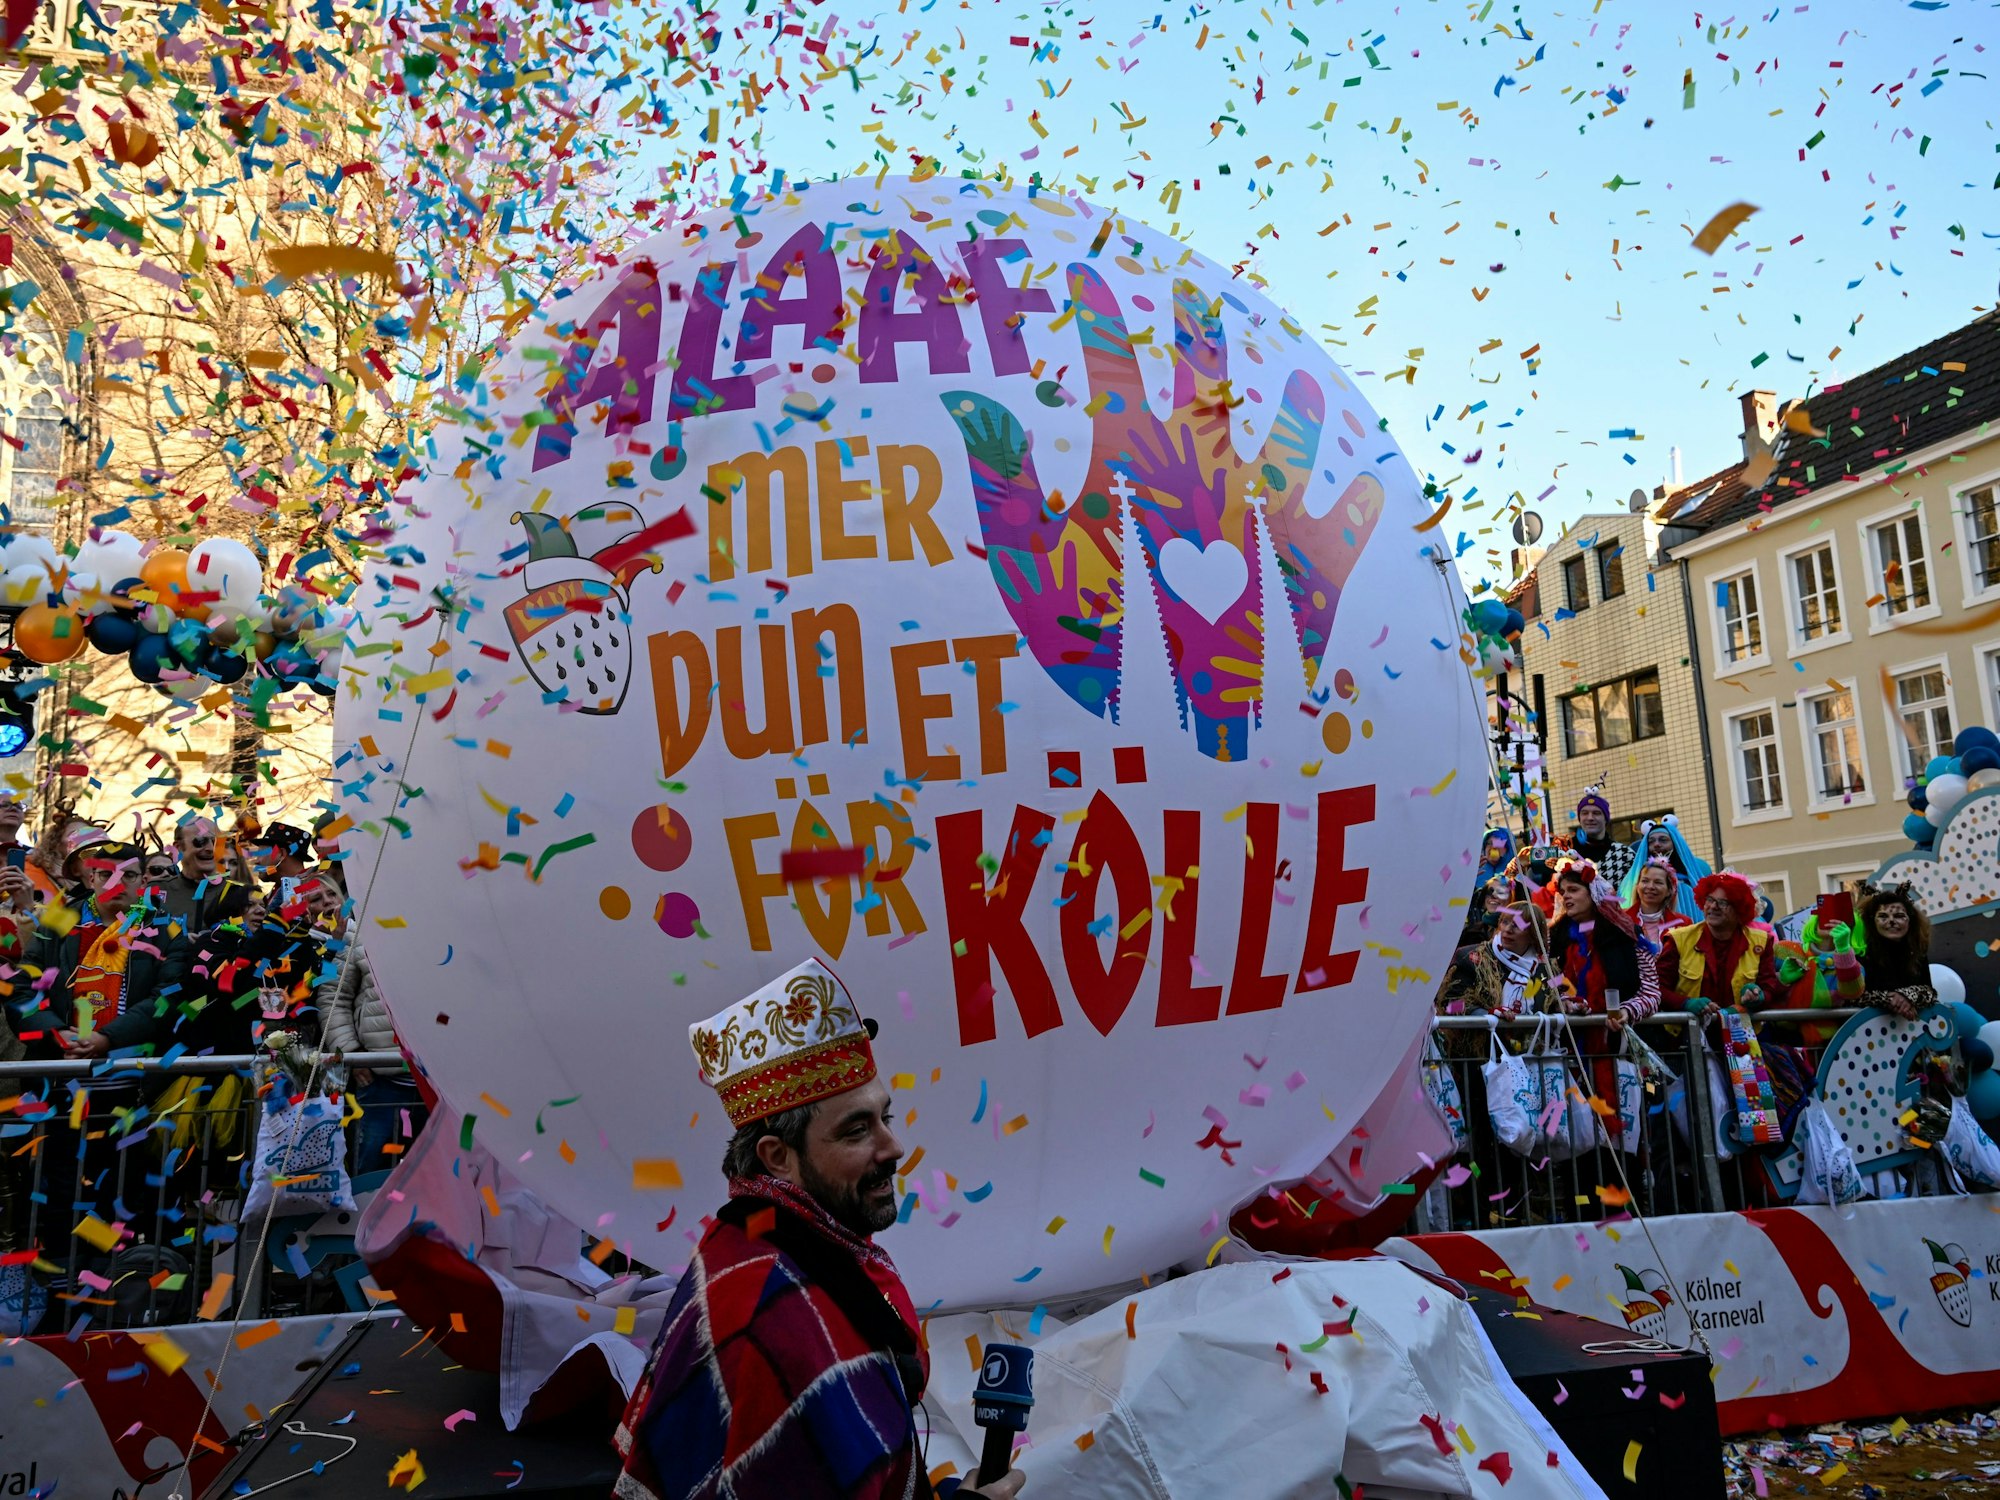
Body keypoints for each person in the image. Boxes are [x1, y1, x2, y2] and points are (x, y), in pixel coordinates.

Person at [615, 958, 1024, 1500]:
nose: (893, 1147)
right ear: (777, 1157)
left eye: (886, 1117)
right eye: (857, 1129)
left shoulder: (754, 1235)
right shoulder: (769, 1319)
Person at [1656, 871, 1815, 1147]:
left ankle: (1751, 1179)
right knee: (1697, 1122)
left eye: (1723, 903)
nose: (1712, 907)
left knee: (1754, 1124)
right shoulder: (1679, 939)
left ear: (1739, 909)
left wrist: (1758, 995)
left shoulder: (1759, 942)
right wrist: (1686, 1004)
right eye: (1709, 900)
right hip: (1688, 1046)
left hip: (1743, 1046)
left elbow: (1769, 985)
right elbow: (1656, 989)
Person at [1546, 860, 1660, 1143]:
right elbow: (1547, 985)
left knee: (1622, 1140)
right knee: (1578, 1141)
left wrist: (1625, 1011)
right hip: (1570, 1056)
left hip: (1617, 1054)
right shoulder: (1554, 941)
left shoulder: (1625, 935)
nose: (1566, 896)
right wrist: (1563, 1002)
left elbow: (1651, 992)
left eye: (1574, 889)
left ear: (1593, 894)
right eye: (1563, 892)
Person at [1435, 901, 1551, 1060]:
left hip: (1531, 1060)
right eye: (1504, 921)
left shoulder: (1543, 967)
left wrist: (1565, 1003)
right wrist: (1485, 1014)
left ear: (1533, 935)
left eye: (1517, 925)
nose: (1507, 929)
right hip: (1479, 1060)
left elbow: (1553, 997)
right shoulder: (1471, 957)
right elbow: (1448, 1005)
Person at [1852, 883, 1937, 1020]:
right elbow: (1853, 996)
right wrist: (1888, 999)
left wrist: (1907, 996)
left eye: (1898, 916)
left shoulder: (1916, 952)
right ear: (1873, 921)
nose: (1891, 922)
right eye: (1883, 916)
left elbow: (1929, 992)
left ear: (1910, 920)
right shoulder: (1861, 953)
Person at [1614, 817, 1710, 920]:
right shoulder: (1631, 882)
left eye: (1663, 840)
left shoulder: (1691, 881)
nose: (1656, 844)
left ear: (1675, 843)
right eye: (1651, 841)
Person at [1569, 792, 1634, 889]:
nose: (1590, 818)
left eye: (1596, 813)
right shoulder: (1565, 851)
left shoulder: (1624, 854)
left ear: (1606, 819)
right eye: (1585, 813)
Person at [1624, 860, 1691, 953]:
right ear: (1637, 886)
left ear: (1669, 891)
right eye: (1645, 881)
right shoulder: (1621, 920)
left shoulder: (1684, 924)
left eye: (1658, 882)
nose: (1650, 886)